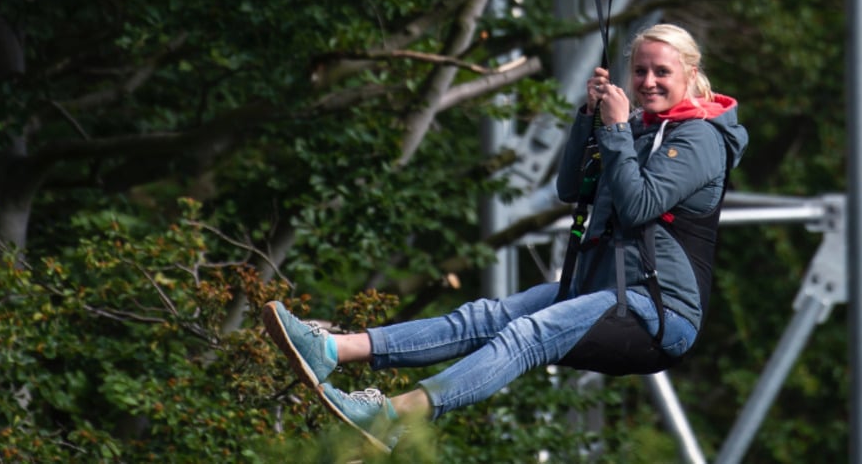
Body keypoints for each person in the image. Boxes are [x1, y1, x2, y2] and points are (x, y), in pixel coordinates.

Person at [262, 23, 748, 452]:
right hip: (602, 291)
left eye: (661, 72)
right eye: (639, 72)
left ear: (689, 72)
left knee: (525, 334)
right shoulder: (642, 130)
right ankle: (331, 350)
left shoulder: (700, 139)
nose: (647, 83)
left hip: (656, 312)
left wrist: (617, 129)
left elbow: (639, 204)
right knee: (482, 317)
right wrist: (589, 119)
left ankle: (393, 414)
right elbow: (570, 188)